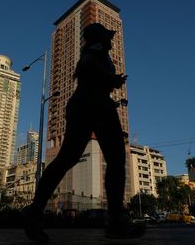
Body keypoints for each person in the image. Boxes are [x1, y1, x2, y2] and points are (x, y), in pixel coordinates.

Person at [22, 23, 145, 242]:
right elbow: (87, 64)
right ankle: (116, 222)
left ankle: (35, 213)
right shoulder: (94, 51)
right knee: (114, 159)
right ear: (99, 38)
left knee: (66, 159)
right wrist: (111, 80)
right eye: (108, 37)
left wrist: (110, 81)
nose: (111, 40)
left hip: (85, 105)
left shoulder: (97, 52)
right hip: (94, 104)